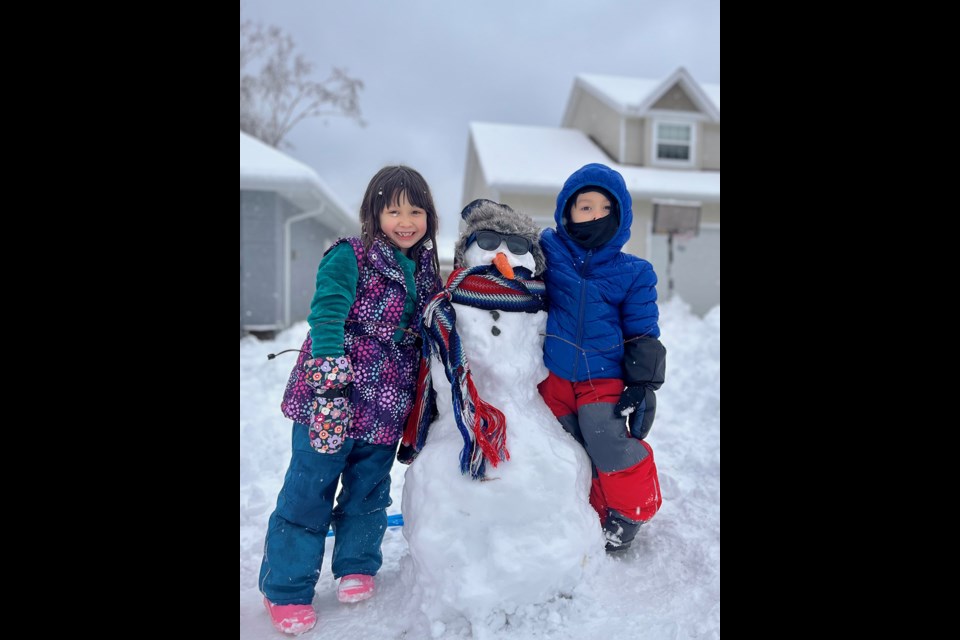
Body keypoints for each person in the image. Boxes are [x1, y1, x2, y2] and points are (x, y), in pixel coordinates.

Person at [260, 166, 441, 634]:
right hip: (332, 397)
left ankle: (355, 566)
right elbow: (326, 314)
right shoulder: (350, 255)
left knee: (368, 490)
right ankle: (285, 588)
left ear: (429, 217)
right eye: (394, 209)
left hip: (386, 404)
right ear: (374, 213)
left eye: (416, 210)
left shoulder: (426, 270)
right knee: (309, 491)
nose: (406, 220)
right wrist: (330, 380)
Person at [537, 163, 666, 553]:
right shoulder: (547, 252)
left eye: (605, 208)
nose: (594, 216)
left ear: (621, 215)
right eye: (585, 207)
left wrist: (644, 384)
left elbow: (642, 331)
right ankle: (587, 511)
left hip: (602, 376)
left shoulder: (634, 272)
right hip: (553, 375)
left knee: (605, 440)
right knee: (566, 447)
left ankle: (630, 510)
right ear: (567, 212)